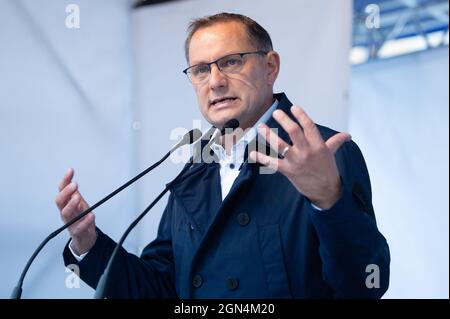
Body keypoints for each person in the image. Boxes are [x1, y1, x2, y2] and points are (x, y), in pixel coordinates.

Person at [56, 12, 390, 298]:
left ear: (270, 66)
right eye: (200, 70)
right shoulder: (194, 172)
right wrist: (89, 245)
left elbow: (365, 285)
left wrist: (328, 202)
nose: (215, 81)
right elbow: (160, 289)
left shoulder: (323, 153)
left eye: (231, 62)